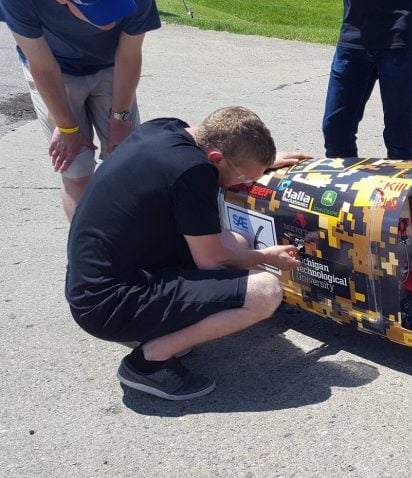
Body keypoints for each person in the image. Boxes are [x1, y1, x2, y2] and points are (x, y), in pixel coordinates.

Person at [65, 107, 310, 401]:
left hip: (100, 280)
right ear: (216, 159)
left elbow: (226, 138)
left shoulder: (166, 129)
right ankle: (148, 364)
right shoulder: (194, 172)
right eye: (242, 176)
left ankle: (156, 330)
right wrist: (267, 257)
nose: (242, 184)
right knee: (265, 292)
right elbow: (213, 261)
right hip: (109, 305)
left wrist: (259, 162)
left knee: (239, 241)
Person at [0, 0, 161, 221]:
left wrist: (120, 118)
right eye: (100, 8)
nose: (112, 19)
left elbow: (129, 55)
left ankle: (128, 244)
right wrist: (66, 127)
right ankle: (88, 250)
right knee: (75, 168)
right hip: (54, 68)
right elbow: (42, 65)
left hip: (112, 65)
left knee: (127, 160)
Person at [322, 0, 412, 160]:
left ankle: (400, 184)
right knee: (335, 128)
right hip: (353, 35)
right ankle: (344, 182)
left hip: (402, 37)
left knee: (398, 132)